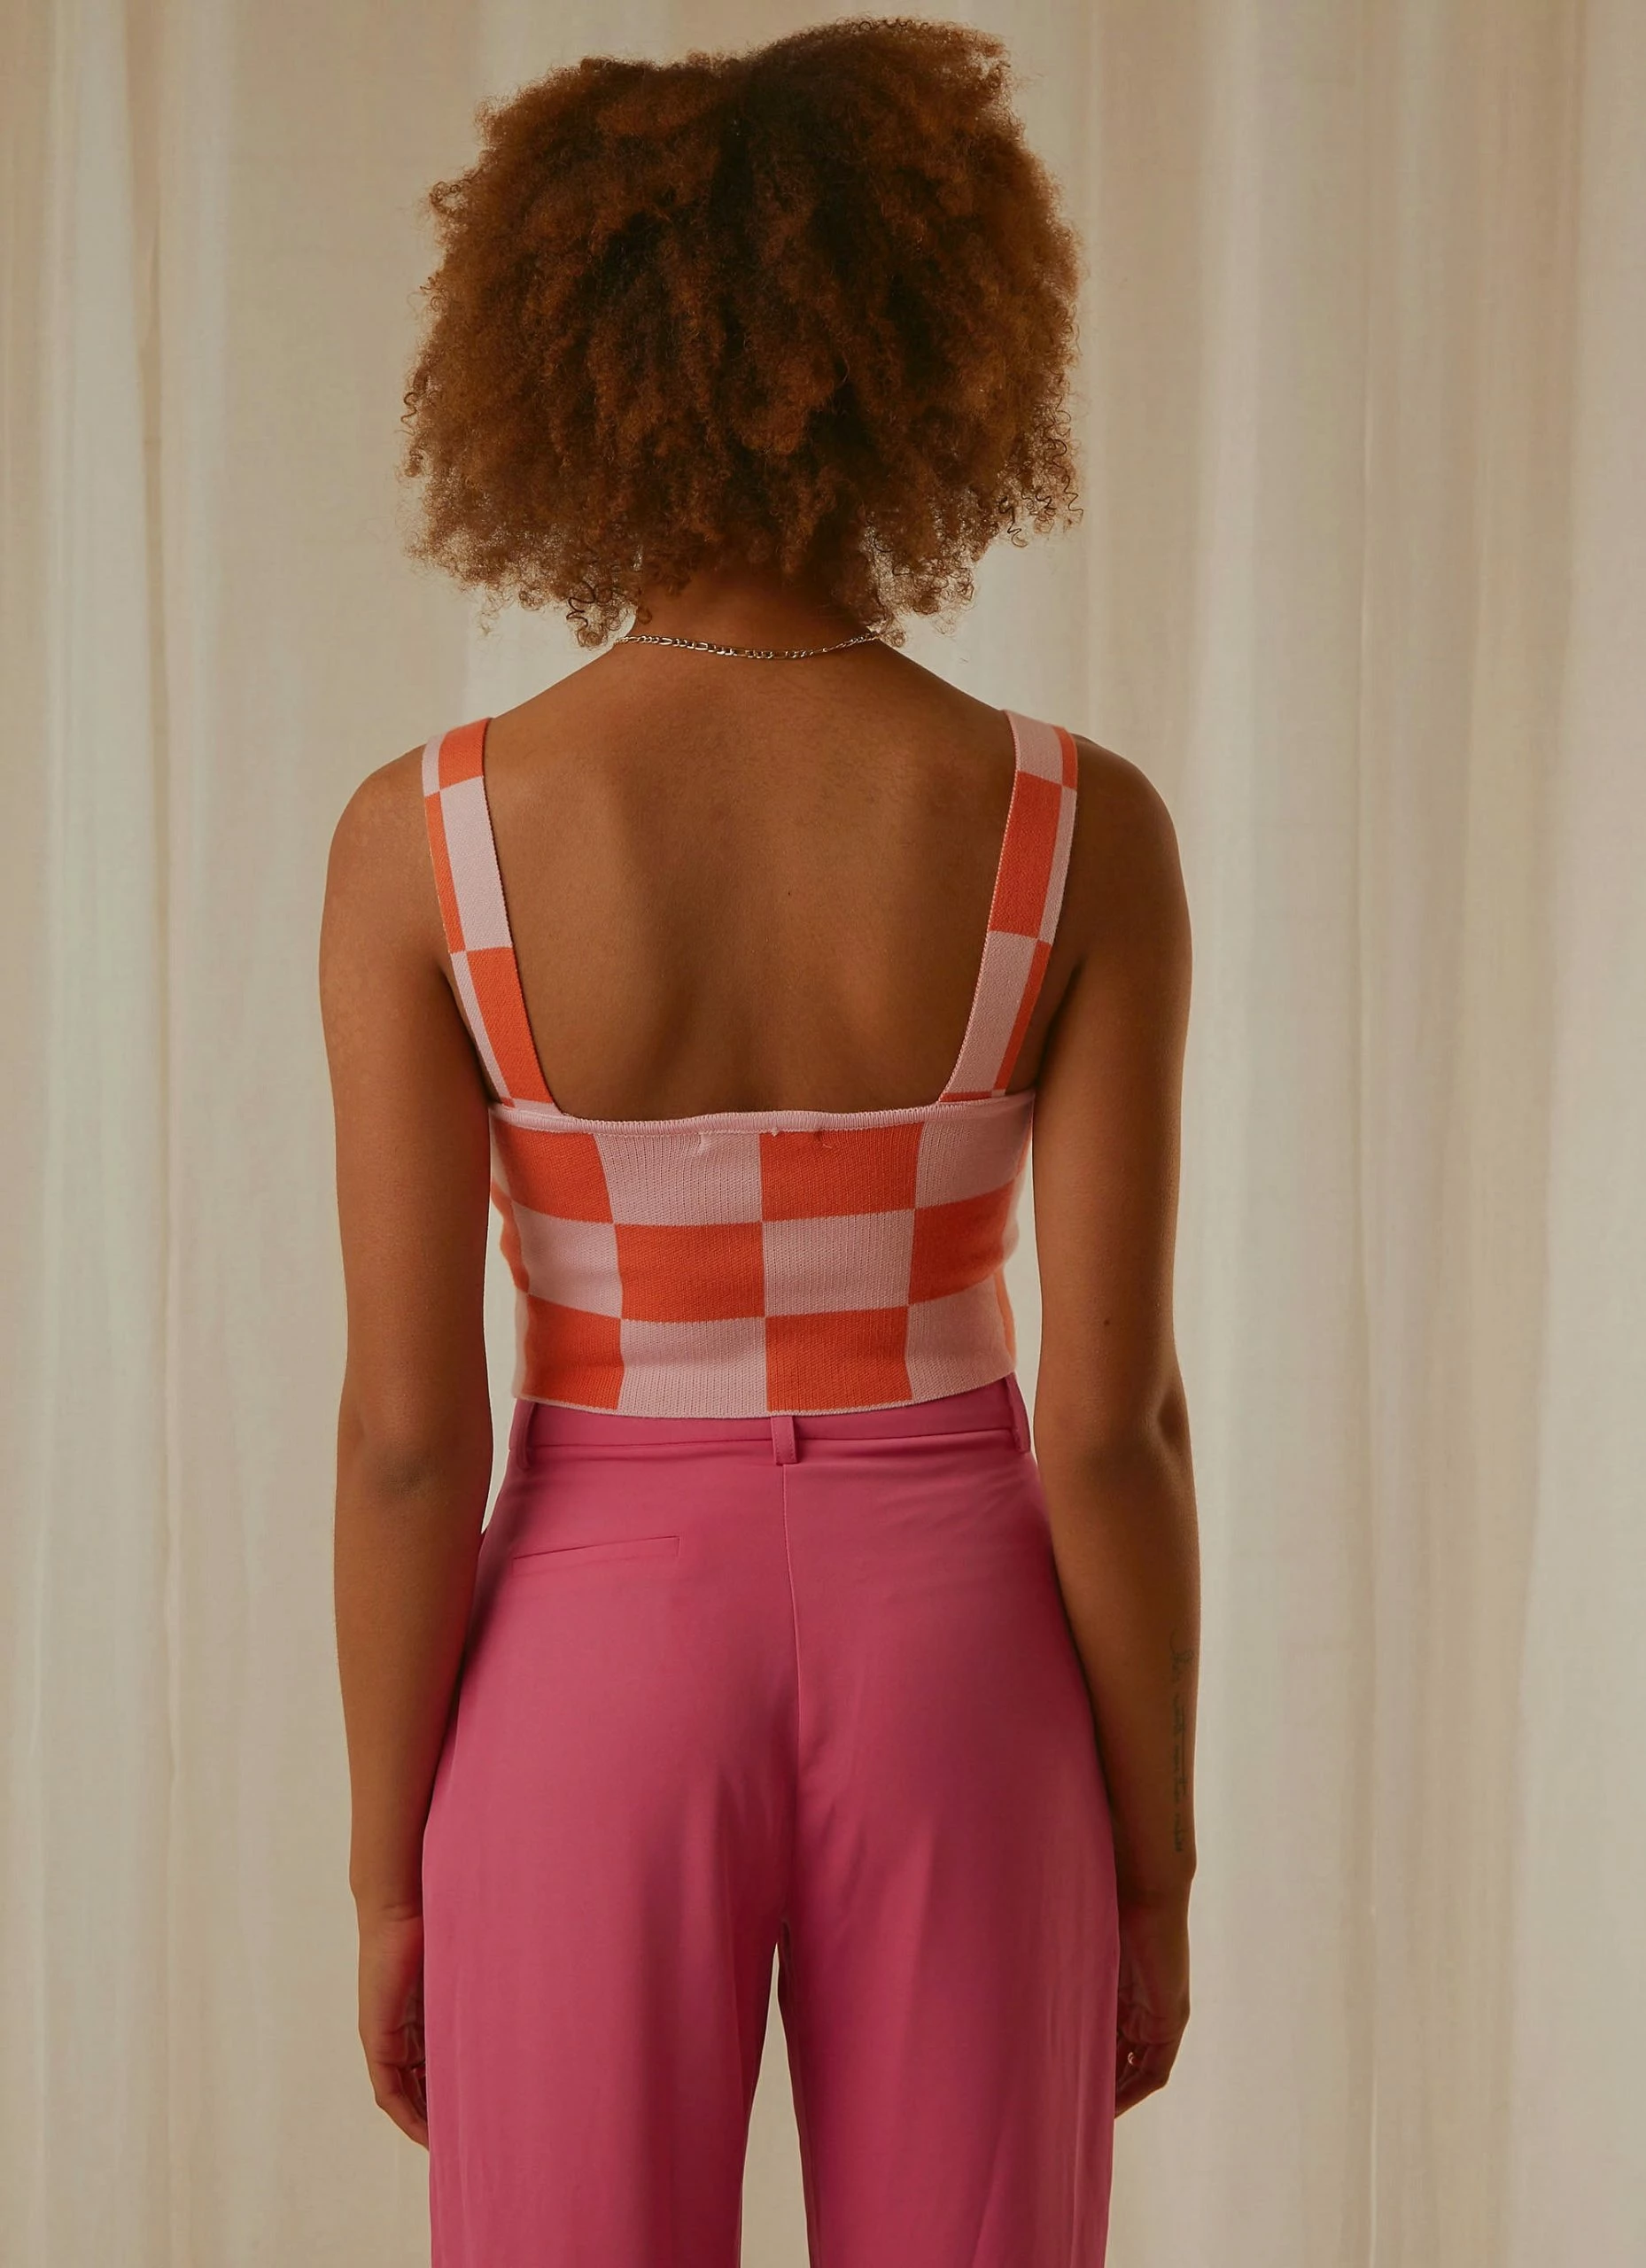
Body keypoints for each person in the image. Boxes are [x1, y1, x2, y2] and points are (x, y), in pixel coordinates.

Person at [319, 19, 1199, 2265]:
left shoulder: (430, 841)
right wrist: (1154, 1854)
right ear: (932, 358)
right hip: (959, 1647)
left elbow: (409, 1439)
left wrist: (388, 1864)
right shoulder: (1071, 826)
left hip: (587, 1648)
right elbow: (1110, 1426)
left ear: (558, 370)